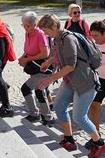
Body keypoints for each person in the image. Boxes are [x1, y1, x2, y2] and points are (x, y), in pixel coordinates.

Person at [37, 14, 104, 157]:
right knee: (59, 107)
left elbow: (70, 65)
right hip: (70, 81)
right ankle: (69, 139)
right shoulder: (57, 38)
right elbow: (60, 56)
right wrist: (49, 62)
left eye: (46, 30)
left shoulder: (68, 39)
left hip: (85, 83)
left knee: (79, 117)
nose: (44, 33)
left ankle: (99, 143)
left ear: (55, 26)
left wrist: (50, 79)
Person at [18, 11, 55, 126]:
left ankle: (41, 115)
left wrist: (27, 60)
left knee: (30, 89)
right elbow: (28, 49)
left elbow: (45, 53)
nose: (25, 27)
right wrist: (23, 57)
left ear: (35, 24)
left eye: (27, 25)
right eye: (23, 25)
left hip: (44, 67)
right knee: (40, 90)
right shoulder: (28, 33)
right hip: (35, 67)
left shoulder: (40, 34)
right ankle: (44, 116)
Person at [85, 20, 105, 149]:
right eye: (92, 35)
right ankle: (96, 138)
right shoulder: (93, 44)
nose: (94, 38)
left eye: (96, 35)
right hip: (99, 80)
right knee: (93, 106)